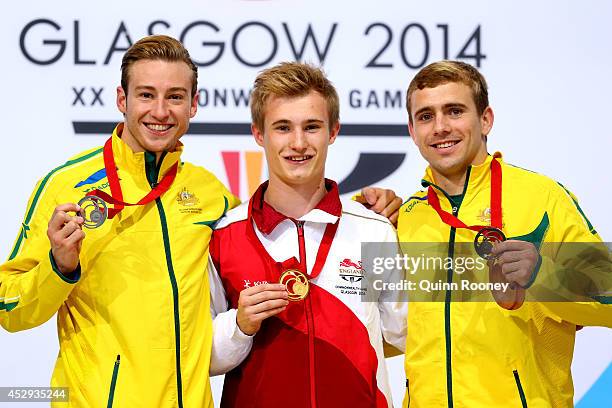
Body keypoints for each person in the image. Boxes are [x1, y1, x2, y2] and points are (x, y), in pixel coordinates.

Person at [0, 35, 402, 407]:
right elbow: (10, 309)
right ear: (122, 98)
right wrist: (59, 267)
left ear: (193, 104)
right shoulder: (66, 186)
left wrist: (361, 216)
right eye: (146, 95)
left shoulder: (210, 196)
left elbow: (289, 213)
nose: (160, 111)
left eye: (175, 97)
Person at [398, 60, 611, 407]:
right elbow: (392, 329)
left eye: (454, 111)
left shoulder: (541, 197)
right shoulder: (409, 215)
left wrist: (544, 276)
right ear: (412, 130)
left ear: (486, 120)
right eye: (426, 116)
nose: (440, 127)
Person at [207, 62, 407, 408]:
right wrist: (239, 325)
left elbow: (408, 333)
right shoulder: (225, 235)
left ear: (333, 131)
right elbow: (200, 356)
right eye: (283, 127)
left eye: (311, 127)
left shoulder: (374, 229)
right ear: (259, 134)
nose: (298, 143)